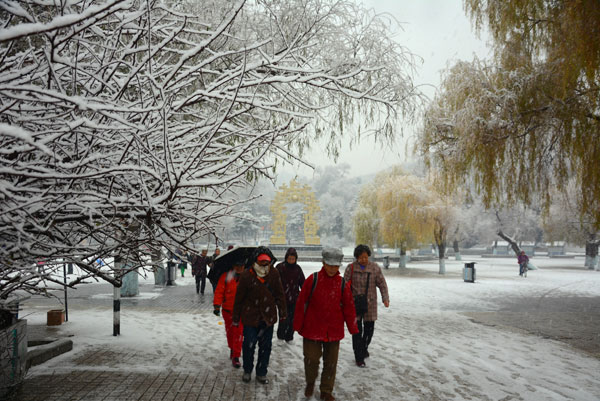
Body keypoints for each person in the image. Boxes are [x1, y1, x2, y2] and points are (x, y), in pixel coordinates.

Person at [293, 247, 358, 401]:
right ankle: (310, 382)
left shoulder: (342, 284)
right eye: (329, 265)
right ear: (323, 263)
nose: (332, 269)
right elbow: (301, 303)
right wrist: (297, 325)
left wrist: (353, 327)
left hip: (333, 331)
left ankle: (326, 390)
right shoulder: (313, 279)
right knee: (311, 360)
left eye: (336, 266)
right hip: (312, 329)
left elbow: (349, 307)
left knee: (331, 363)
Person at [232, 246, 286, 384]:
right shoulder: (246, 275)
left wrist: (283, 313)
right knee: (248, 345)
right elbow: (239, 298)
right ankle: (248, 370)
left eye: (267, 261)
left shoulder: (274, 273)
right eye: (261, 261)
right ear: (256, 260)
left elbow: (280, 294)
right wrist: (236, 317)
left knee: (266, 347)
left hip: (267, 318)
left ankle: (262, 372)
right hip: (250, 317)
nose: (264, 263)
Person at [343, 244, 390, 368]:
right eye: (361, 257)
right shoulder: (350, 268)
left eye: (365, 257)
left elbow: (382, 284)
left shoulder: (374, 268)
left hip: (370, 303)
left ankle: (364, 347)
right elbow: (344, 286)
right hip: (355, 304)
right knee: (356, 331)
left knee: (369, 331)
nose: (364, 259)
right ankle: (359, 356)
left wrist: (385, 298)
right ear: (357, 257)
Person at [213, 259, 245, 368]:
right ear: (233, 266)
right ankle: (232, 348)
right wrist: (217, 305)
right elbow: (219, 291)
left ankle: (236, 355)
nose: (239, 268)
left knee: (239, 332)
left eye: (241, 266)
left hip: (241, 311)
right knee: (230, 332)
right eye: (237, 265)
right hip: (228, 310)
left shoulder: (247, 277)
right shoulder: (226, 276)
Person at [275, 247, 305, 343]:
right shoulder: (280, 267)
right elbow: (274, 282)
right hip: (282, 299)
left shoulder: (297, 269)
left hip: (294, 298)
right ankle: (281, 336)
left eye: (293, 259)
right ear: (286, 258)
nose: (291, 260)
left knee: (292, 320)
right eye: (289, 258)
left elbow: (302, 283)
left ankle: (289, 337)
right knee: (284, 318)